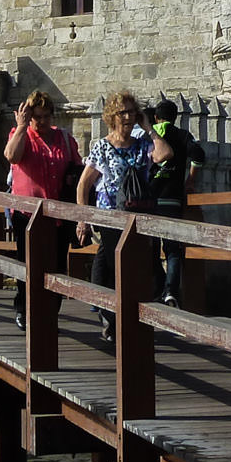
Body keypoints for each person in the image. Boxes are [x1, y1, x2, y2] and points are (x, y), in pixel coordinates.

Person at [74, 91, 170, 341]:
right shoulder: (102, 147)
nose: (127, 117)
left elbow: (164, 154)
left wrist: (147, 127)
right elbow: (83, 185)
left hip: (138, 216)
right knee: (115, 266)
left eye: (131, 112)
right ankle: (112, 318)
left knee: (135, 267)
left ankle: (124, 318)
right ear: (112, 117)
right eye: (122, 113)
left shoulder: (141, 145)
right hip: (109, 217)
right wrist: (83, 218)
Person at [4, 91, 79, 330]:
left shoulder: (64, 138)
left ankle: (50, 313)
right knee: (27, 264)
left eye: (46, 116)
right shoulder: (21, 134)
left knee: (57, 266)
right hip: (27, 215)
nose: (43, 121)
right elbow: (11, 156)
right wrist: (22, 126)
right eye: (38, 117)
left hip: (58, 215)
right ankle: (24, 310)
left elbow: (78, 169)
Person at [147, 98, 204, 307]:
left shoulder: (150, 134)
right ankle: (171, 291)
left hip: (149, 200)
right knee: (172, 249)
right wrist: (190, 179)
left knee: (150, 246)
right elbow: (198, 155)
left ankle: (156, 288)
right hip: (172, 199)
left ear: (155, 117)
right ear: (175, 117)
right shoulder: (182, 135)